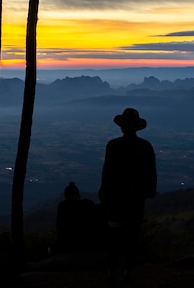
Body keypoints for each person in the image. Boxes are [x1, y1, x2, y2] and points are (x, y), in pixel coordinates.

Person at [98, 107, 157, 284]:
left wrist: (104, 193)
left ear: (122, 127)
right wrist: (147, 192)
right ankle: (128, 273)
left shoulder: (113, 146)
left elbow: (107, 172)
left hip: (116, 199)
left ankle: (111, 272)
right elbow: (151, 174)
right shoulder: (145, 147)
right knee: (132, 236)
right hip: (136, 200)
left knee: (114, 236)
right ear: (136, 127)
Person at [55, 181, 99, 253]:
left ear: (66, 196)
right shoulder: (87, 204)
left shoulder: (62, 206)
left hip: (66, 245)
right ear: (78, 195)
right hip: (85, 244)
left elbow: (59, 229)